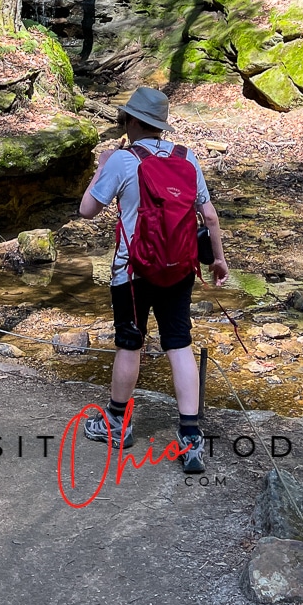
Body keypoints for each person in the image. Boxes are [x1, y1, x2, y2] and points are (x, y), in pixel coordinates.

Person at [78, 86, 228, 475]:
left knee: (130, 344)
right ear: (160, 126)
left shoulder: (122, 160)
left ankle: (116, 426)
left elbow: (86, 211)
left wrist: (102, 164)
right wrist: (219, 261)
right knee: (179, 344)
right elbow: (209, 217)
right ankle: (191, 437)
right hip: (179, 267)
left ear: (131, 122)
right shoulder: (186, 157)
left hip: (132, 271)